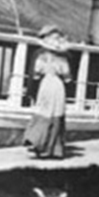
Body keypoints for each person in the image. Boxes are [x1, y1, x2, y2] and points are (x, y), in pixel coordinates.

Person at [23, 25, 71, 159]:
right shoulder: (63, 59)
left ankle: (37, 143)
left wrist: (32, 87)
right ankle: (53, 149)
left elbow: (36, 74)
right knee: (56, 115)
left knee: (43, 113)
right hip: (58, 86)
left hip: (46, 85)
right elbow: (67, 78)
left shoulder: (42, 56)